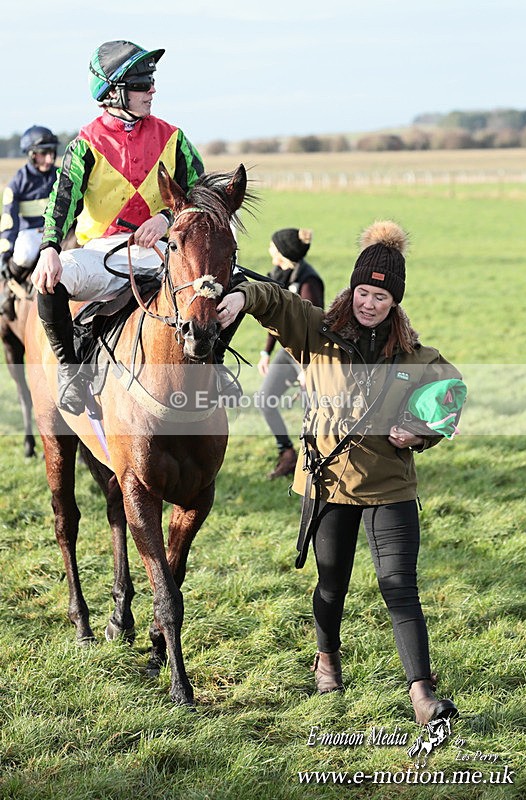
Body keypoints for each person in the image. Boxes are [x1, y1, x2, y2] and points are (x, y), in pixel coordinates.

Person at [217, 220, 463, 725]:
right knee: (333, 584)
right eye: (362, 292)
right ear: (351, 289)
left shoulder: (415, 357)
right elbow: (274, 299)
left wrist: (420, 432)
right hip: (329, 485)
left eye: (379, 296)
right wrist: (242, 298)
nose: (368, 303)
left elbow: (450, 394)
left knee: (400, 586)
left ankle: (422, 693)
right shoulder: (316, 331)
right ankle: (327, 659)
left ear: (394, 302)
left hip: (390, 486)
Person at [31, 40, 205, 415]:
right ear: (113, 91)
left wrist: (166, 219)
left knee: (225, 281)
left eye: (151, 81)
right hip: (103, 256)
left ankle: (213, 366)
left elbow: (203, 195)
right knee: (49, 281)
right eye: (143, 83)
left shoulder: (173, 137)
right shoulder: (85, 144)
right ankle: (70, 370)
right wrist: (48, 247)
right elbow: (61, 202)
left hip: (164, 254)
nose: (152, 89)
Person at [257, 228, 324, 479]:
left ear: (284, 251)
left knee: (313, 411)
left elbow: (312, 329)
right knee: (265, 400)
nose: (270, 251)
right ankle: (287, 454)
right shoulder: (280, 274)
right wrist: (266, 352)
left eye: (273, 246)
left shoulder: (308, 282)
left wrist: (306, 369)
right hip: (288, 351)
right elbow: (277, 317)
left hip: (308, 354)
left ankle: (316, 465)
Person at [0, 126, 59, 319]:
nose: (49, 159)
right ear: (32, 155)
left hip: (56, 231)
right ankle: (7, 290)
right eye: (44, 154)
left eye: (52, 153)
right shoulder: (17, 183)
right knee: (25, 253)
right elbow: (9, 221)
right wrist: (5, 251)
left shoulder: (60, 175)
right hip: (30, 233)